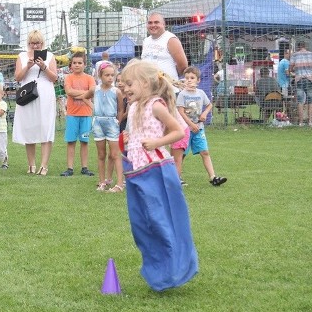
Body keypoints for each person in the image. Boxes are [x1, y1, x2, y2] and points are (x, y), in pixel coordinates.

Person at [121, 60, 198, 291]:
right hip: (136, 171)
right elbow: (135, 133)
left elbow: (177, 131)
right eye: (123, 85)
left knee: (160, 221)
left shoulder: (156, 105)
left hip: (155, 171)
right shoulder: (133, 106)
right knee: (142, 225)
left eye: (128, 84)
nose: (124, 89)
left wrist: (156, 142)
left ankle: (176, 268)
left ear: (145, 83)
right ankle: (158, 270)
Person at [12, 30, 58, 176]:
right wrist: (28, 66)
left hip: (45, 94)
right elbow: (18, 77)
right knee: (29, 127)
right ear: (28, 44)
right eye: (32, 43)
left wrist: (44, 66)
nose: (35, 46)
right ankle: (31, 164)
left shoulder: (50, 56)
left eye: (37, 43)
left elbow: (54, 78)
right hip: (28, 94)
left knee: (45, 127)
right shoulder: (22, 56)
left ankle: (44, 166)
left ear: (42, 43)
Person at [176, 66, 227, 187]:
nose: (189, 80)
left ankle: (213, 177)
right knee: (181, 154)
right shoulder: (182, 95)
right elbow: (181, 112)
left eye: (192, 78)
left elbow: (209, 105)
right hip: (186, 129)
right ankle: (177, 176)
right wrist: (191, 124)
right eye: (187, 78)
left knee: (204, 152)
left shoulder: (201, 93)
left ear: (198, 80)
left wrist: (204, 113)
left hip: (199, 128)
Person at [60, 51, 96, 177]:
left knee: (84, 142)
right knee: (71, 141)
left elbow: (92, 92)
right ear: (71, 65)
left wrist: (83, 94)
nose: (77, 65)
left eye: (79, 63)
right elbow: (69, 92)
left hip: (86, 114)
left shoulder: (90, 78)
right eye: (74, 63)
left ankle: (84, 167)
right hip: (72, 114)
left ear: (84, 64)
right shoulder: (68, 78)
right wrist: (84, 94)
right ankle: (70, 168)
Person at [92, 61, 124, 192]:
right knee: (101, 154)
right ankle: (102, 182)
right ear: (100, 75)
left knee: (115, 154)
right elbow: (85, 97)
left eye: (112, 75)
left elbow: (121, 109)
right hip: (98, 123)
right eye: (107, 75)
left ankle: (120, 183)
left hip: (112, 123)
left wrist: (118, 121)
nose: (110, 78)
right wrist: (93, 109)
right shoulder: (95, 89)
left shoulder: (116, 91)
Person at [141, 12, 188, 80]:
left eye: (156, 22)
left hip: (168, 88)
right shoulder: (146, 41)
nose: (153, 25)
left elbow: (183, 66)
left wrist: (169, 77)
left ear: (163, 24)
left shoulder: (171, 39)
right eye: (150, 23)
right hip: (149, 87)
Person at [289, 42, 312, 126]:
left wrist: (294, 69)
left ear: (298, 47)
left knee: (300, 101)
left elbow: (290, 68)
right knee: (310, 101)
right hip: (309, 79)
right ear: (305, 46)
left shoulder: (294, 55)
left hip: (299, 79)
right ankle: (310, 122)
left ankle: (301, 122)